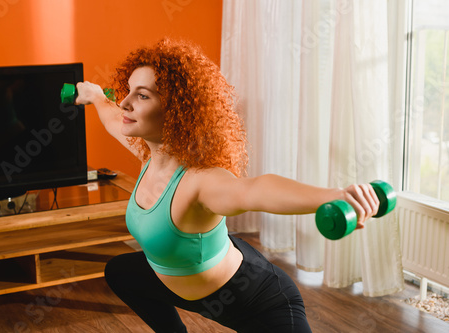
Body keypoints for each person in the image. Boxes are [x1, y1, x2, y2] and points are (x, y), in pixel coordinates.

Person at [76, 38, 379, 333]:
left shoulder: (201, 181)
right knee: (121, 272)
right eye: (128, 91)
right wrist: (94, 96)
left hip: (255, 299)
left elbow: (255, 191)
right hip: (189, 288)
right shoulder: (148, 155)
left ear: (177, 111)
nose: (124, 103)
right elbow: (114, 117)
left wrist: (335, 195)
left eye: (142, 96)